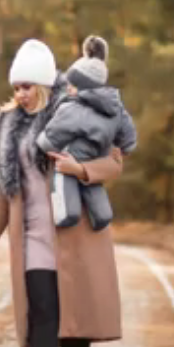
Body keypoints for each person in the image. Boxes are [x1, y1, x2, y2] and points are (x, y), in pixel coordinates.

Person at [0, 39, 126, 347]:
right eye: (16, 86)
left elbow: (116, 162)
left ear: (44, 84)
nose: (19, 94)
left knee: (75, 323)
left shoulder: (77, 113)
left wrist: (80, 169)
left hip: (78, 238)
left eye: (26, 85)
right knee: (44, 317)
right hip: (34, 241)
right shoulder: (7, 128)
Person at [36, 35, 137, 231]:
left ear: (81, 86)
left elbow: (52, 136)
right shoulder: (116, 107)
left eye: (72, 84)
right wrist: (124, 146)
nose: (68, 88)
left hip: (72, 156)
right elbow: (128, 136)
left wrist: (43, 145)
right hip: (97, 153)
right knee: (93, 189)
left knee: (65, 185)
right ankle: (101, 215)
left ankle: (66, 215)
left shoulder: (73, 108)